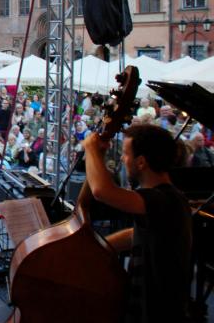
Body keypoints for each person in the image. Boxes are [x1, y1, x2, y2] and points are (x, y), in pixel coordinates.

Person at [83, 124, 191, 323]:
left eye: (125, 154)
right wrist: (98, 248)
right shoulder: (167, 198)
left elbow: (101, 191)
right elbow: (137, 234)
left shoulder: (162, 199)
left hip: (157, 311)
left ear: (141, 162)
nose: (123, 159)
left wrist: (91, 149)